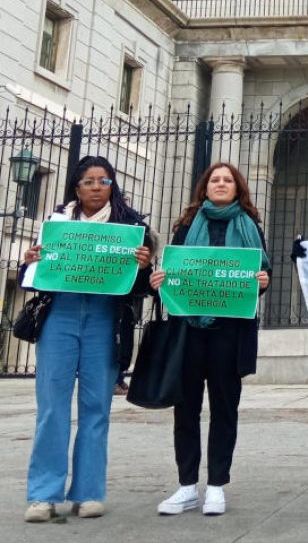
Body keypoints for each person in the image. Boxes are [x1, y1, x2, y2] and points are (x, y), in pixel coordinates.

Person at [19, 156, 154, 522]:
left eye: (104, 181)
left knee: (97, 409)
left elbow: (143, 289)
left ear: (113, 186)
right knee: (52, 407)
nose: (97, 187)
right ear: (76, 186)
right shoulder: (56, 223)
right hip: (59, 316)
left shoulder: (131, 226)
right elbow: (29, 276)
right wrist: (29, 260)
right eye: (89, 181)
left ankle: (88, 492)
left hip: (104, 321)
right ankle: (43, 495)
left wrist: (144, 266)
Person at [149, 163, 271, 517]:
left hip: (229, 334)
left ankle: (216, 485)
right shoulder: (187, 225)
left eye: (227, 180)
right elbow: (174, 270)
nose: (220, 184)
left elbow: (264, 274)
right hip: (188, 331)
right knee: (185, 409)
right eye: (215, 180)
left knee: (224, 410)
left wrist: (263, 281)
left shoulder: (251, 227)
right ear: (205, 187)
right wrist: (160, 281)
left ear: (238, 188)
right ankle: (187, 485)